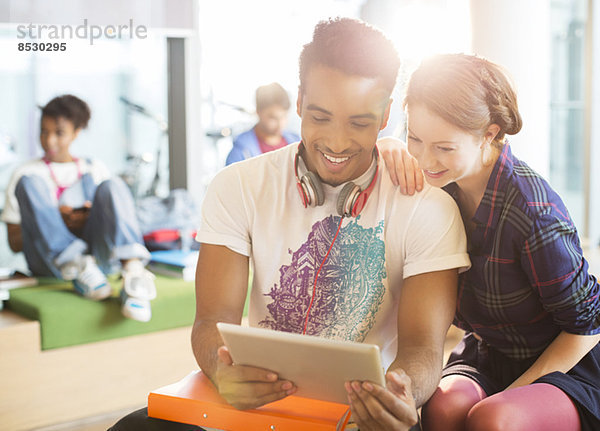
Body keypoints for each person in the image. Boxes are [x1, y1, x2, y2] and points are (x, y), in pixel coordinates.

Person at [110, 17, 470, 431]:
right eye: (320, 118)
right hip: (260, 410)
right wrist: (221, 369)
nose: (336, 143)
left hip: (364, 417)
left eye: (359, 123)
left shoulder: (428, 208)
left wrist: (401, 392)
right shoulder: (238, 185)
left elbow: (424, 347)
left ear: (386, 114)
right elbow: (212, 321)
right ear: (298, 102)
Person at [378, 53, 600, 431]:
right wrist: (387, 147)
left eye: (444, 148)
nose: (425, 158)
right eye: (414, 138)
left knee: (495, 419)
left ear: (490, 133)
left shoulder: (532, 212)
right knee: (442, 409)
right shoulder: (438, 186)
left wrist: (515, 391)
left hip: (565, 364)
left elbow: (587, 325)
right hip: (490, 352)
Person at [1, 94, 157, 322]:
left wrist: (86, 219)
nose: (49, 140)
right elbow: (14, 244)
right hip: (52, 265)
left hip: (99, 264)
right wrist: (52, 222)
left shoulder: (94, 168)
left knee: (113, 184)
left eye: (59, 133)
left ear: (76, 132)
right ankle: (75, 263)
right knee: (29, 182)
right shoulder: (25, 174)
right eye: (43, 132)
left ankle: (133, 272)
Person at [225, 82, 299, 165]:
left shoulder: (297, 144)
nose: (280, 123)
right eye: (273, 117)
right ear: (258, 112)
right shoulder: (240, 153)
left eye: (284, 116)